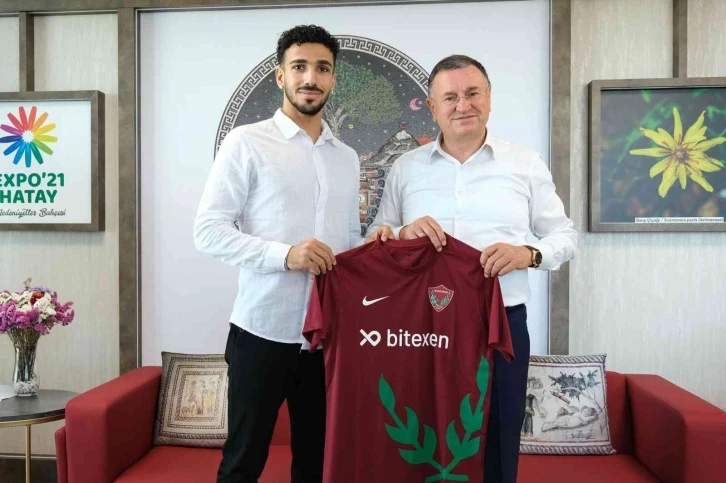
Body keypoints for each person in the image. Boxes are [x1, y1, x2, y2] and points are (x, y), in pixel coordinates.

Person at [194, 24, 392, 483]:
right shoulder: (246, 142)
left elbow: (345, 241)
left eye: (322, 68)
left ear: (333, 79)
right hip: (261, 331)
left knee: (317, 465)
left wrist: (373, 247)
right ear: (280, 76)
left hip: (327, 337)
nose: (310, 78)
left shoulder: (346, 157)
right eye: (299, 66)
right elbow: (208, 231)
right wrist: (286, 255)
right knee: (242, 463)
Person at [369, 54, 577, 483]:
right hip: (422, 327)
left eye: (472, 93)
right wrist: (403, 231)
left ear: (489, 97)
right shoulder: (405, 168)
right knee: (420, 435)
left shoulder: (525, 163)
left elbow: (565, 237)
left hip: (501, 323)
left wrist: (528, 254)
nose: (463, 105)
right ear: (432, 107)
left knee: (498, 438)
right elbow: (376, 237)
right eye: (450, 97)